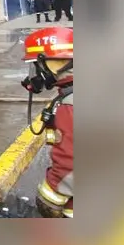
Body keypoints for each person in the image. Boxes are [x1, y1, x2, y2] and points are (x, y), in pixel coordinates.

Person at [19, 27, 73, 218]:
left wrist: (48, 199)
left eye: (37, 65)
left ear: (52, 62)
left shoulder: (70, 105)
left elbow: (70, 164)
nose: (35, 73)